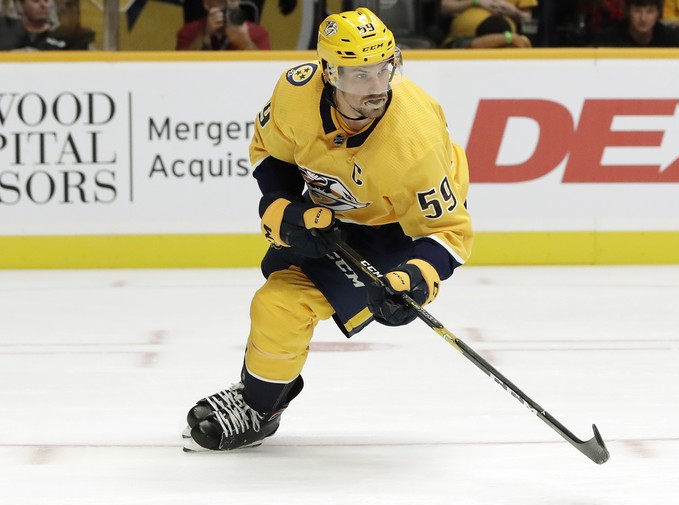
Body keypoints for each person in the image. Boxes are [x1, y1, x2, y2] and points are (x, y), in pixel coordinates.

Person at [183, 8, 473, 452]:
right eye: (360, 75)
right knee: (277, 304)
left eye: (385, 69)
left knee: (284, 304)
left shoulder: (416, 141)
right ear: (329, 73)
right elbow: (272, 154)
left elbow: (450, 233)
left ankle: (257, 405)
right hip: (335, 212)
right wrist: (282, 207)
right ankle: (260, 405)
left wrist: (416, 277)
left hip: (395, 226)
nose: (377, 88)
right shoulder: (295, 90)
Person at [176, 0, 271, 51]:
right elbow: (177, 67)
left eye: (232, 1)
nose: (228, 6)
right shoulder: (189, 31)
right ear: (207, 4)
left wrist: (245, 43)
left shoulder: (257, 32)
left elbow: (267, 70)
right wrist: (204, 35)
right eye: (221, 1)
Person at [441, 0, 536, 48]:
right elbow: (444, 8)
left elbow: (527, 18)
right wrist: (476, 2)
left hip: (505, 40)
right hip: (464, 39)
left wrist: (513, 11)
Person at [593, 0, 679, 47]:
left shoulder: (671, 40)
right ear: (628, 11)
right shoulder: (607, 40)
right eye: (637, 11)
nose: (643, 18)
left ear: (658, 14)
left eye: (650, 12)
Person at [0, 0, 65, 50]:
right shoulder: (5, 28)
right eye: (36, 1)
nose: (44, 5)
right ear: (20, 6)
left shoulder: (61, 37)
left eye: (46, 1)